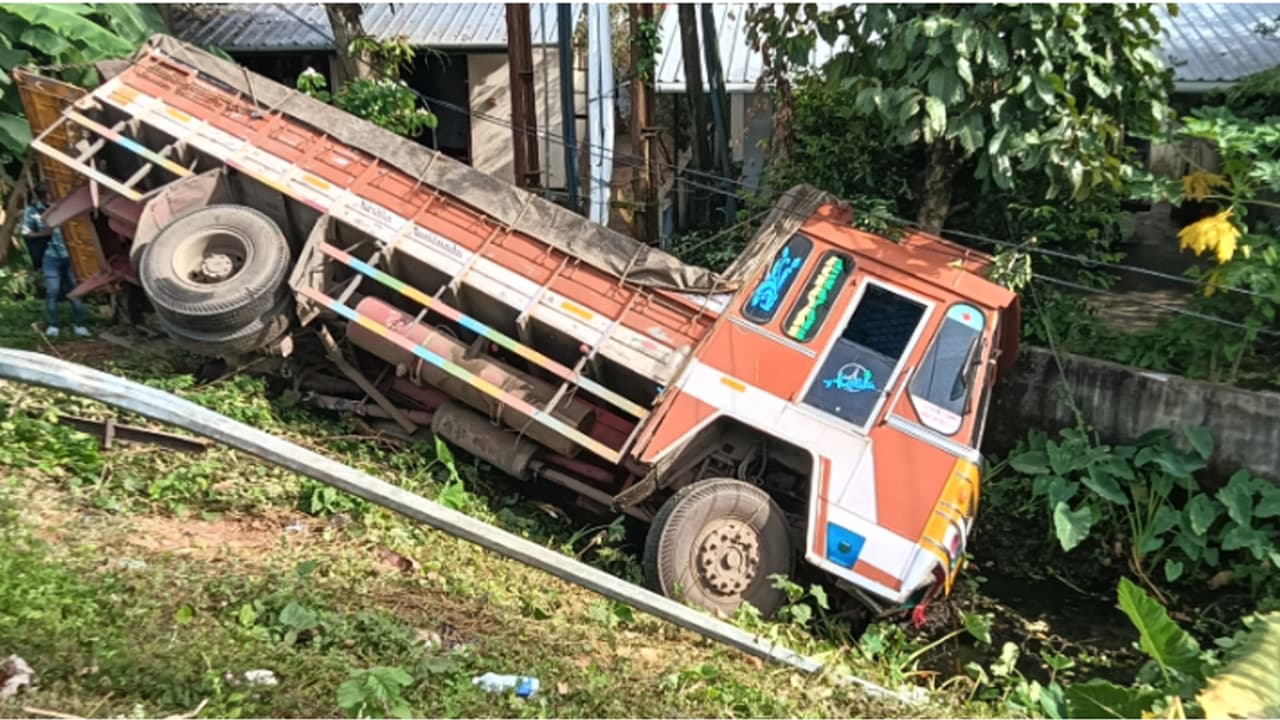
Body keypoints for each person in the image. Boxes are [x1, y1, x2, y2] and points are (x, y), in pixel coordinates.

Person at [22, 182, 88, 337]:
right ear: (44, 196)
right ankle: (54, 325)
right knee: (52, 291)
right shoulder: (32, 211)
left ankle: (80, 325)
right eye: (49, 196)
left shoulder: (66, 207)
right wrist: (44, 234)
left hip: (71, 254)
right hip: (50, 256)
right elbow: (26, 232)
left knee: (75, 290)